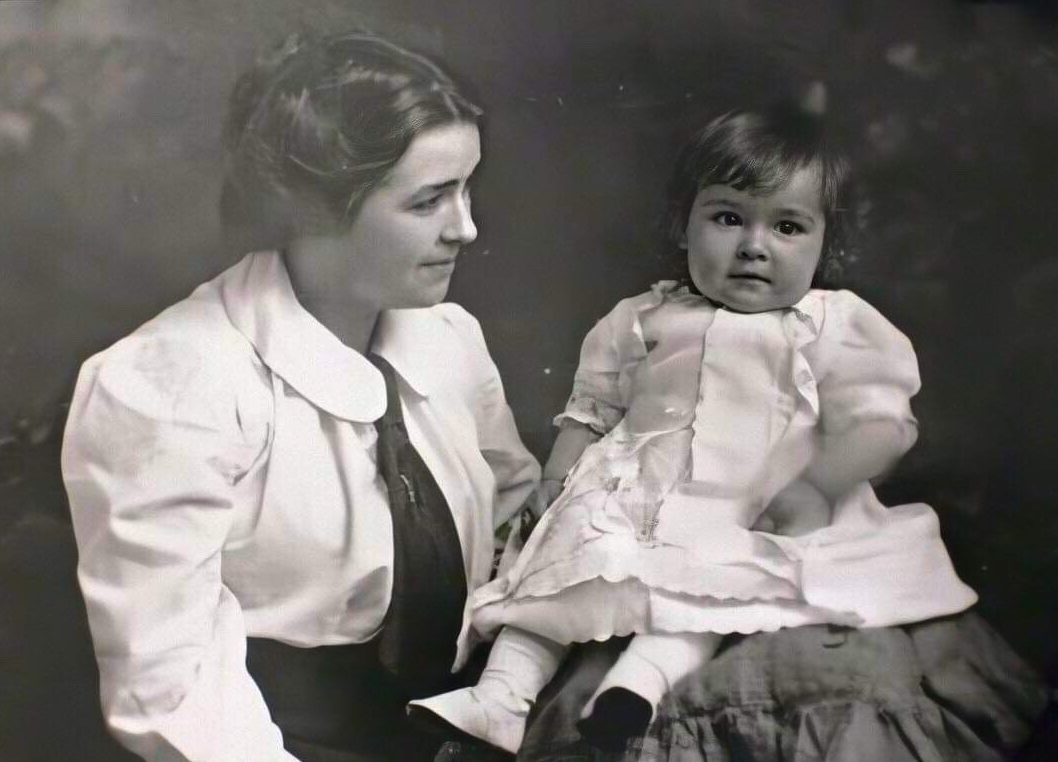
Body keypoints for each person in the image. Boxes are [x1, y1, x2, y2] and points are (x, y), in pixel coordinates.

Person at [410, 103, 983, 755]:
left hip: (750, 501)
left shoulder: (830, 323)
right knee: (558, 570)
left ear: (828, 243)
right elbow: (593, 406)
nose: (754, 245)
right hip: (637, 494)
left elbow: (882, 423)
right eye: (728, 218)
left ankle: (636, 686)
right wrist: (555, 474)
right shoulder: (645, 316)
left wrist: (820, 485)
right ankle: (499, 700)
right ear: (684, 226)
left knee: (709, 589)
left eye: (788, 226)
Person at [60, 31, 540, 762]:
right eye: (428, 202)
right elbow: (171, 683)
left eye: (467, 189)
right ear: (316, 207)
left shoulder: (447, 337)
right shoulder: (169, 383)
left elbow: (514, 520)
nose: (466, 228)